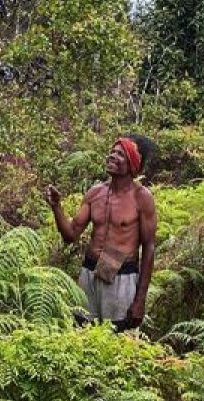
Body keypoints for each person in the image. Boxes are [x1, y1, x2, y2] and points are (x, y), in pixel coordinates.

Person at [45, 138, 158, 331]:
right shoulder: (95, 193)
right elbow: (70, 235)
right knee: (83, 331)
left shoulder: (141, 197)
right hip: (89, 273)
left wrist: (140, 300)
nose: (112, 156)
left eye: (120, 154)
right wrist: (57, 207)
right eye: (113, 151)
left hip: (121, 277)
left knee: (119, 338)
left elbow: (148, 248)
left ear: (131, 164)